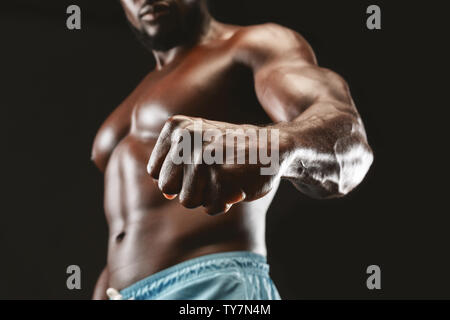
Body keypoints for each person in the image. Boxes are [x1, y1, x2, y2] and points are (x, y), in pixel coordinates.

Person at [91, 0, 374, 300]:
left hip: (214, 286)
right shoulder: (128, 105)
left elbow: (348, 141)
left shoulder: (254, 45)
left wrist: (262, 147)